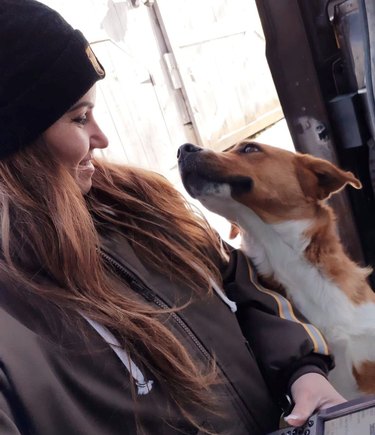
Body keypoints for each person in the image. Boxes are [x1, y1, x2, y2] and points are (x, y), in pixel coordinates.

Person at [0, 1, 345, 434]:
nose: (101, 137)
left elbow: (244, 286)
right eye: (80, 118)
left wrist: (303, 372)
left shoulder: (136, 205)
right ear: (16, 146)